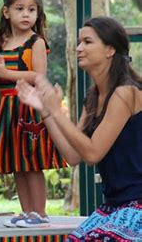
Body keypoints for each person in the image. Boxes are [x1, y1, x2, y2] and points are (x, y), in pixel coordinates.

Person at [17, 16, 142, 241]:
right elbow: (74, 155)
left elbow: (93, 153)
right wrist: (46, 112)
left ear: (110, 50)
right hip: (112, 207)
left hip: (137, 206)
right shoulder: (93, 97)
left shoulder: (126, 92)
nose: (79, 48)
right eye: (79, 42)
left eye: (87, 42)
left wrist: (57, 111)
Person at [0, 0, 66, 228]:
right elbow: (0, 84)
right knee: (16, 164)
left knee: (32, 163)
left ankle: (39, 213)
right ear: (6, 12)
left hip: (28, 107)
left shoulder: (36, 42)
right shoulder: (3, 41)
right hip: (7, 109)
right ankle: (26, 211)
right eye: (20, 8)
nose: (26, 14)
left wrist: (6, 72)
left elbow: (39, 76)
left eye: (32, 9)